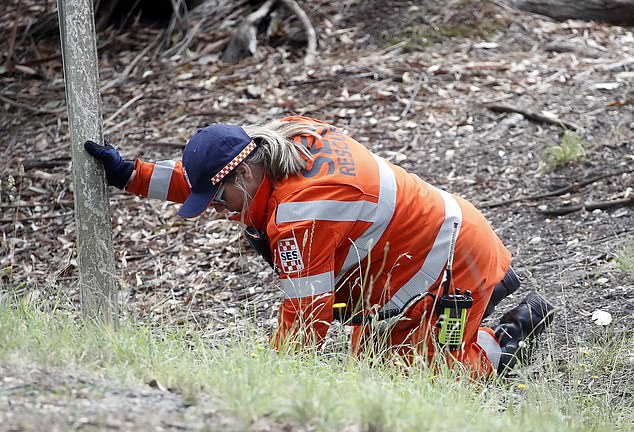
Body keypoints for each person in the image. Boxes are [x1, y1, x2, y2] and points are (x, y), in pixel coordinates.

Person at [84, 116, 554, 377]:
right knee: (370, 369)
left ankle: (505, 338)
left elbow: (307, 317)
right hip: (419, 253)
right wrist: (132, 175)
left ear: (246, 176)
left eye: (220, 199)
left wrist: (274, 387)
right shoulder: (279, 137)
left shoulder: (299, 217)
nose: (220, 210)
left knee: (427, 384)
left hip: (455, 266)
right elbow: (209, 170)